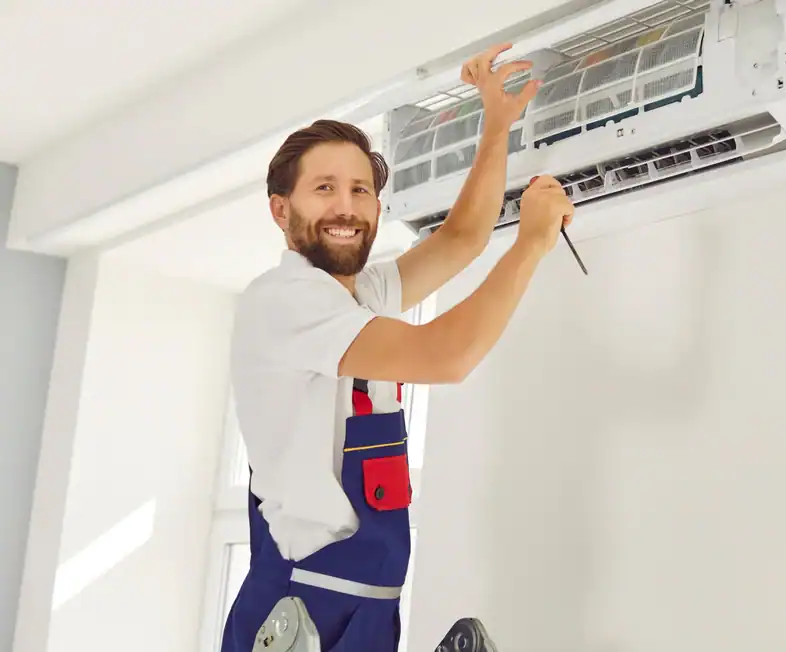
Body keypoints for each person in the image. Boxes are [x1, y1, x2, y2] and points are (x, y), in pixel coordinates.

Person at [220, 42, 574, 652]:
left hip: (369, 601)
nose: (347, 207)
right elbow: (446, 356)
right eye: (324, 188)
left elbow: (462, 237)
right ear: (282, 210)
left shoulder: (363, 293)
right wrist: (532, 244)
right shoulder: (284, 301)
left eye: (360, 190)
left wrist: (496, 125)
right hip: (299, 604)